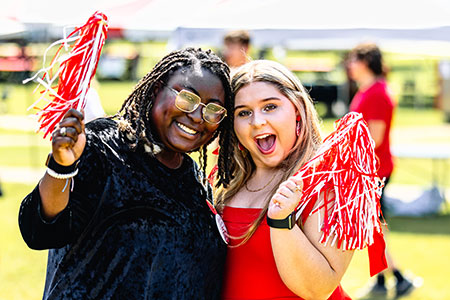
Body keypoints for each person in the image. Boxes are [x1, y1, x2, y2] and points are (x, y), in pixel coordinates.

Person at [18, 47, 232, 299]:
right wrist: (61, 167)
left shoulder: (193, 178)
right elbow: (41, 230)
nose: (197, 117)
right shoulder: (104, 146)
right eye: (187, 99)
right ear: (156, 90)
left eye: (212, 110)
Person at [213, 60, 360, 299]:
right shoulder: (226, 182)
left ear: (297, 110)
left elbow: (319, 289)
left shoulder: (328, 182)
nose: (257, 121)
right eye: (244, 112)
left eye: (270, 107)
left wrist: (282, 220)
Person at [347, 43, 414, 298]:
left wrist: (342, 146)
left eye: (354, 59)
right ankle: (384, 279)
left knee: (372, 227)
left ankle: (396, 277)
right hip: (368, 170)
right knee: (371, 227)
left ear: (366, 62)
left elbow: (373, 138)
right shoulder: (368, 90)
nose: (350, 65)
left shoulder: (376, 92)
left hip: (374, 171)